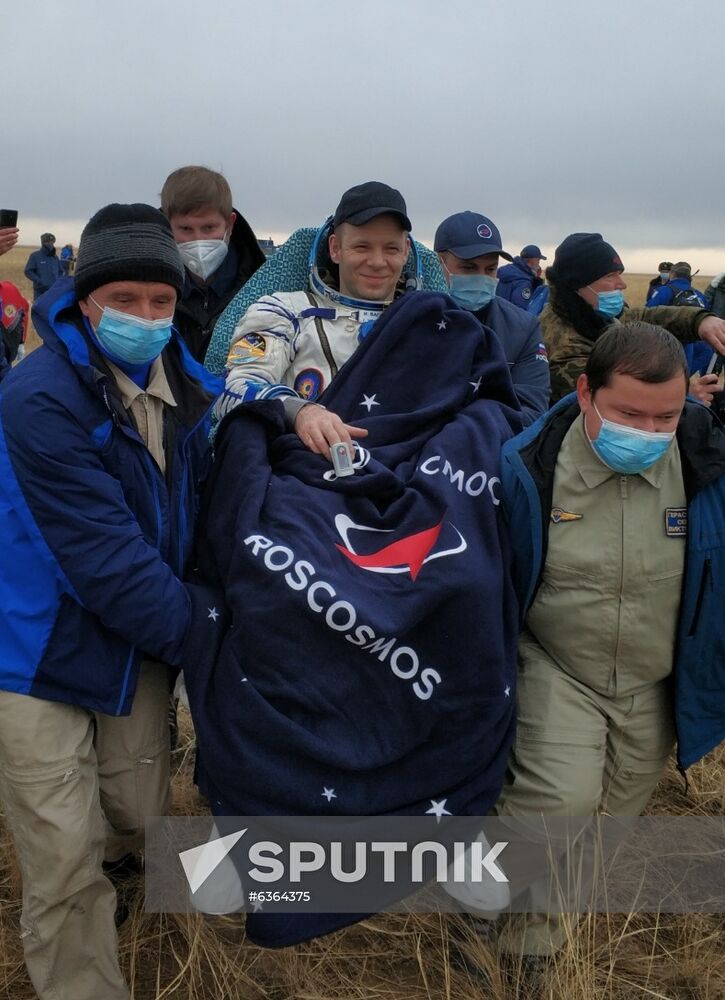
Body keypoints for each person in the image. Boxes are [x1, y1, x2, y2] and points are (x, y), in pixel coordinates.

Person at [0, 203, 226, 1000]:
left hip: (135, 644)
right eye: (123, 300)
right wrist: (215, 640)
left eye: (160, 301)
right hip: (36, 648)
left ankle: (125, 874)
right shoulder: (39, 396)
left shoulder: (191, 386)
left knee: (134, 814)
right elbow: (103, 563)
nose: (144, 317)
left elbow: (220, 484)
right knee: (62, 854)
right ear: (84, 299)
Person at [492, 322, 725, 959]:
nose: (648, 433)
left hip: (654, 678)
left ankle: (531, 950)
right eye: (629, 414)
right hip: (556, 663)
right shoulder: (528, 467)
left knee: (607, 825)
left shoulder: (708, 466)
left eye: (666, 418)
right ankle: (474, 896)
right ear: (587, 392)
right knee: (557, 802)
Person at [218, 180, 419, 457]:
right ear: (335, 248)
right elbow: (233, 390)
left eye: (391, 249)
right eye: (362, 247)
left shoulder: (426, 322)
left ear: (406, 251)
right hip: (306, 473)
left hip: (407, 468)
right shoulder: (284, 311)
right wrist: (299, 412)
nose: (377, 261)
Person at [540, 232, 725, 403]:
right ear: (577, 285)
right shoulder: (564, 345)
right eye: (610, 276)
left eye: (619, 274)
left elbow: (644, 317)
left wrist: (701, 321)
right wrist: (683, 398)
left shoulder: (589, 315)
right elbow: (610, 404)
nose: (622, 284)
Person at [434, 211, 550, 425]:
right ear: (439, 262)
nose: (481, 278)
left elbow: (532, 411)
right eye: (468, 268)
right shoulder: (414, 319)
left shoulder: (523, 328)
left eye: (490, 269)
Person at [160, 165, 265, 363]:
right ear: (166, 225)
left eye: (209, 228)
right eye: (185, 229)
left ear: (230, 224)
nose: (198, 240)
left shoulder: (262, 286)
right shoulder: (150, 287)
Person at [496, 243, 546, 310]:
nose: (539, 263)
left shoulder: (505, 272)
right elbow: (520, 310)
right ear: (530, 260)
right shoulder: (524, 282)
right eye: (538, 260)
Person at [24, 232, 65, 300]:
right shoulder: (35, 256)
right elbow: (28, 271)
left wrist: (58, 282)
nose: (50, 244)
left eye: (52, 242)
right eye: (47, 242)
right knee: (39, 310)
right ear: (42, 243)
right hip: (40, 292)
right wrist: (39, 281)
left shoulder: (55, 257)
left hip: (54, 291)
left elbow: (61, 270)